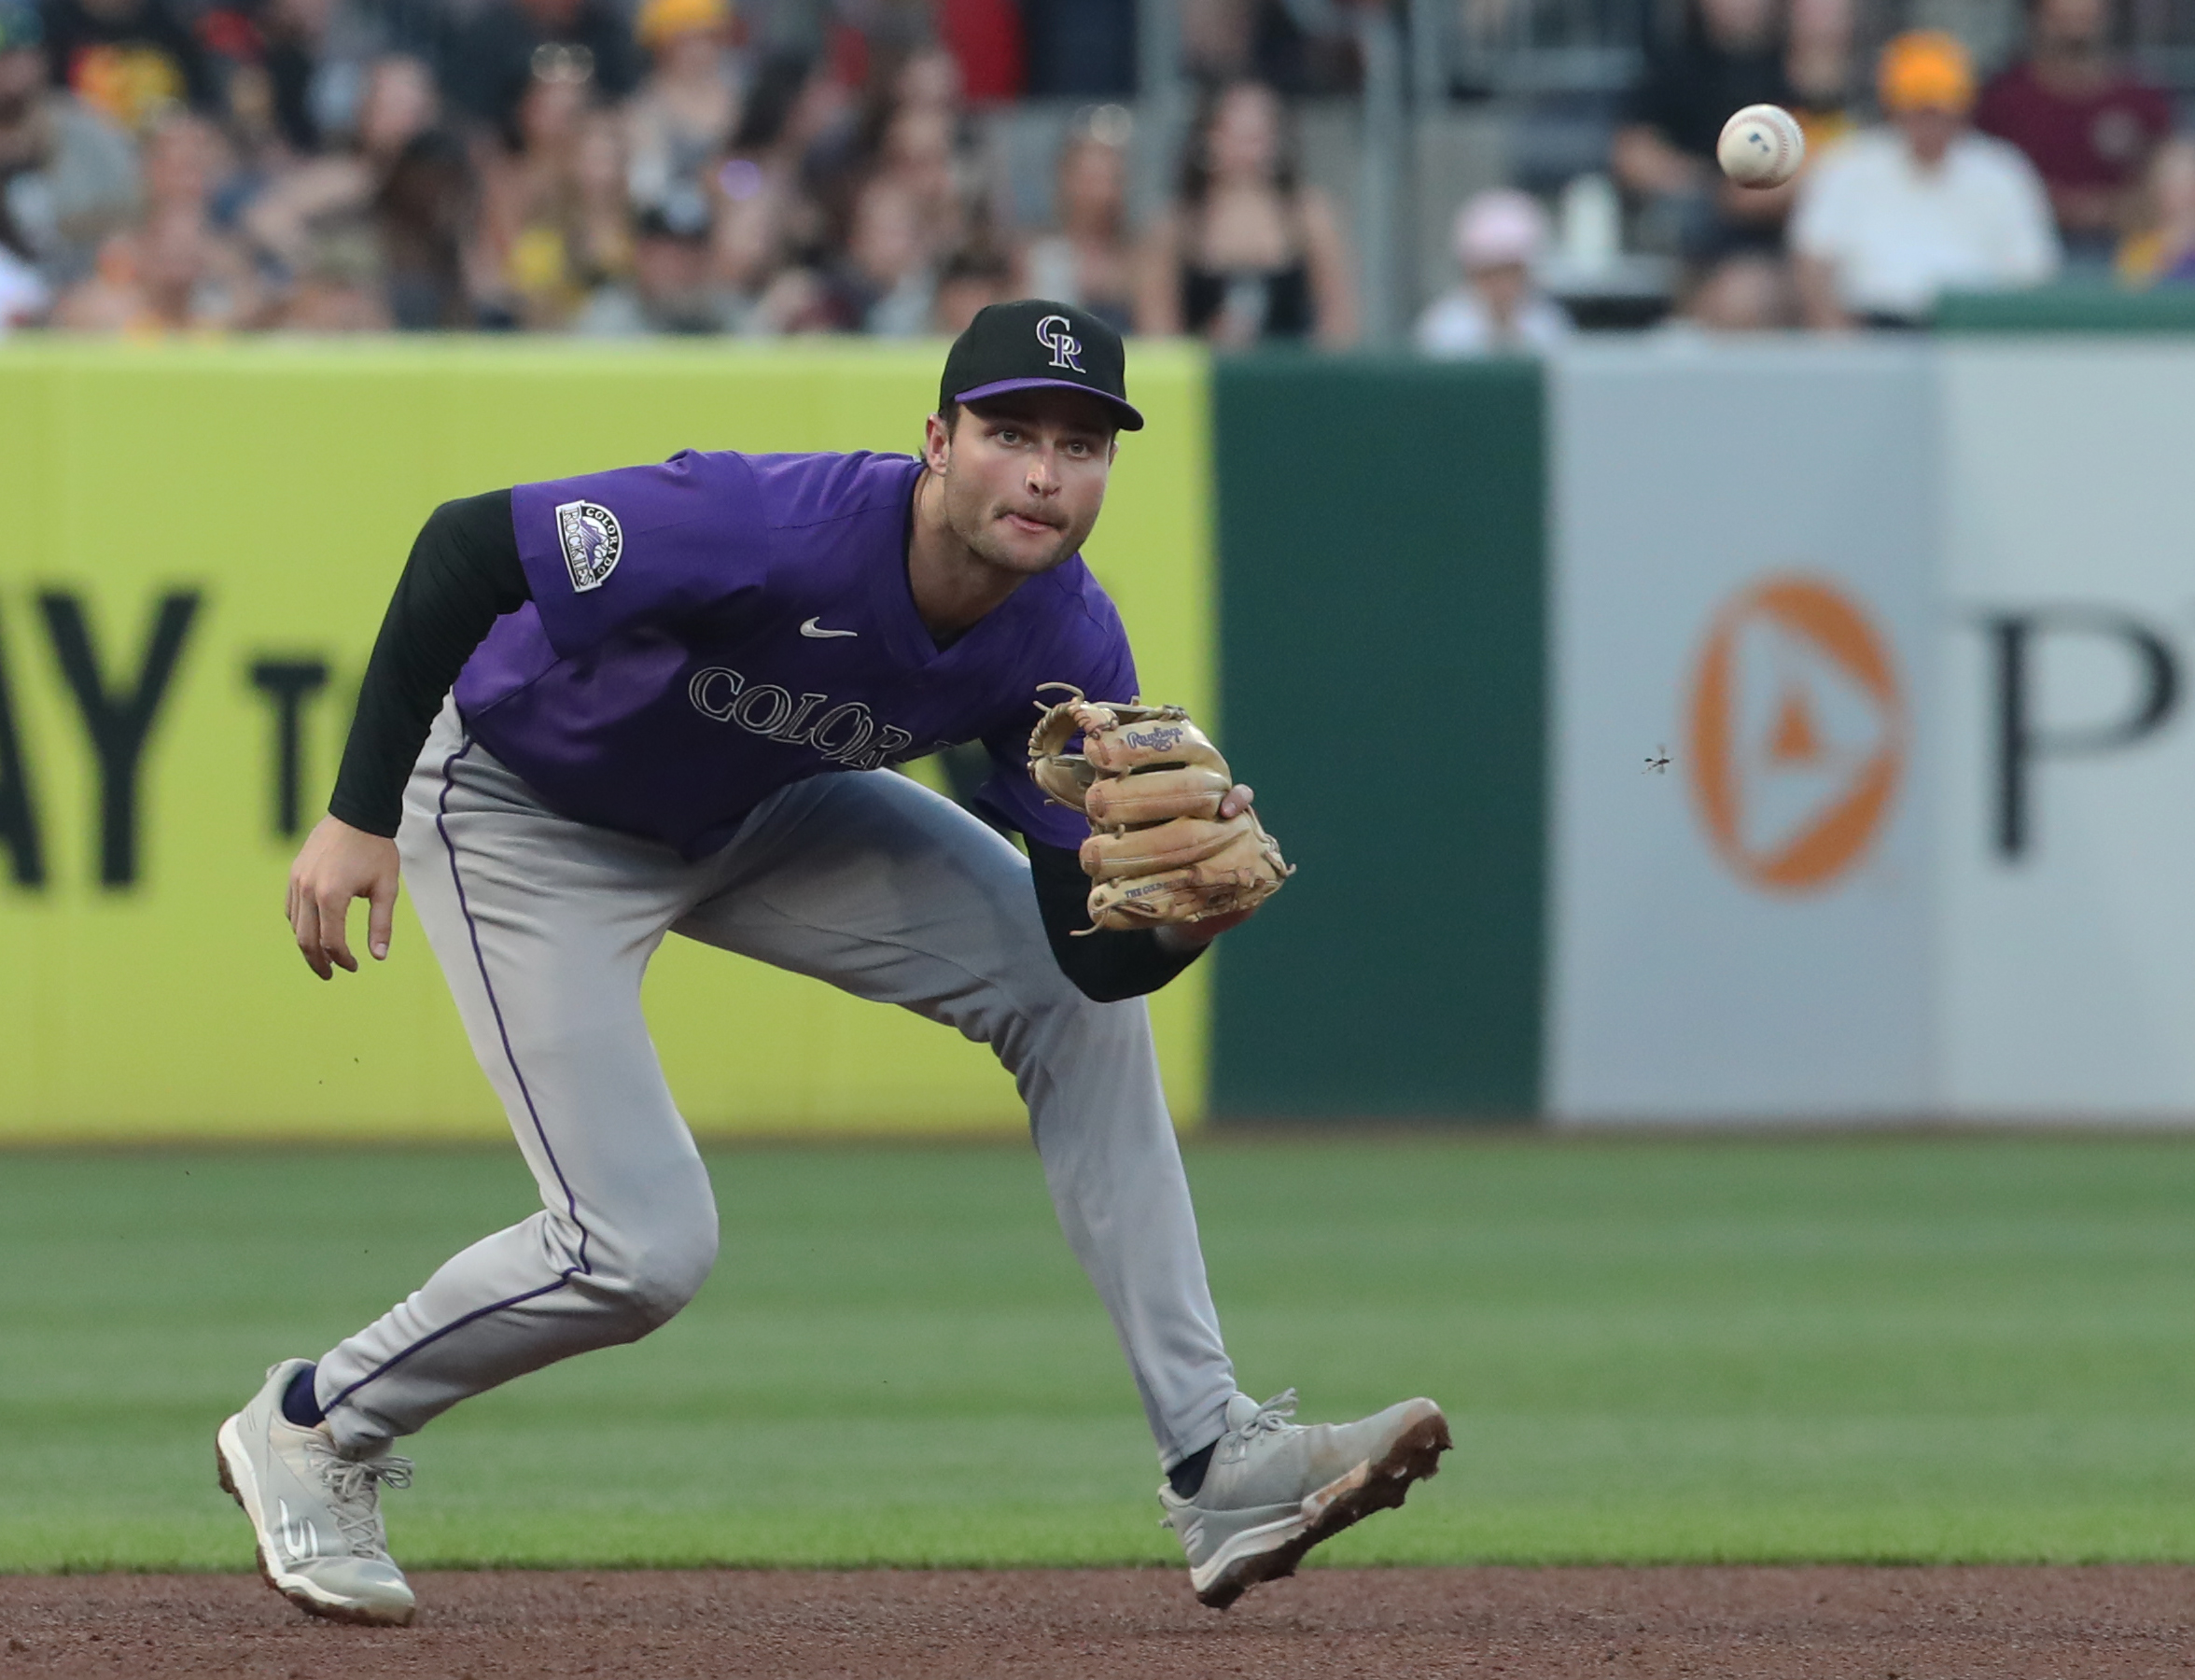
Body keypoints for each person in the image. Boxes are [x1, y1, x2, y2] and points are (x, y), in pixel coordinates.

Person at [214, 298, 1449, 1627]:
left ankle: (1220, 1459)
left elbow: (1082, 966)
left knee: (1070, 1016)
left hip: (756, 809)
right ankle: (311, 1422)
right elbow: (468, 545)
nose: (1044, 472)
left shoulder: (1067, 641)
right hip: (524, 810)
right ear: (936, 439)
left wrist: (1173, 929)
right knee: (641, 1249)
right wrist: (357, 811)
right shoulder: (764, 525)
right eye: (1011, 433)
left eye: (1083, 446)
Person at [1792, 31, 2060, 329]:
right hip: (1870, 330)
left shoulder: (2003, 173)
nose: (1929, 125)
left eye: (1940, 112)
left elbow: (2031, 277)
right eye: (1918, 111)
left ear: (1963, 110)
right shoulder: (1848, 163)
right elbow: (1813, 262)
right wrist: (1841, 345)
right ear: (1893, 108)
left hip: (1972, 337)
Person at [1611, 0, 1797, 329]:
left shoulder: (1794, 67)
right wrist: (1711, 185)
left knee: (1744, 294)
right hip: (1694, 236)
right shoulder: (1677, 62)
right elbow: (1632, 155)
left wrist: (1753, 194)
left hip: (1775, 246)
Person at [1136, 78, 1355, 347]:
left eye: (1260, 135)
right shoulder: (1174, 226)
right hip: (1201, 380)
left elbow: (1339, 322)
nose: (1249, 149)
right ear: (1208, 139)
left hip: (1293, 380)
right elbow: (1156, 330)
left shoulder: (1309, 218)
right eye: (1236, 135)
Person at [1975, 0, 2173, 266]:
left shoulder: (2141, 99)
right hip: (2020, 249)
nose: (2075, 31)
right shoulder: (2004, 99)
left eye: (2085, 18)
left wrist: (2109, 209)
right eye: (2062, 19)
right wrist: (2056, 206)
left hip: (2127, 252)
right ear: (2036, 20)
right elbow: (1979, 180)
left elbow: (2165, 183)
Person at [0, 0, 138, 289]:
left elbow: (134, 209)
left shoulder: (86, 129)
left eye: (19, 54)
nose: (9, 67)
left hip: (83, 282)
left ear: (42, 59)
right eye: (3, 56)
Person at [1015, 113, 1135, 333]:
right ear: (1065, 179)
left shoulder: (1143, 261)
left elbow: (1160, 340)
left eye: (1110, 180)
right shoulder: (1033, 255)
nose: (1101, 194)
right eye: (1091, 180)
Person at [1415, 189, 1572, 357]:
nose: (1502, 284)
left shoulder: (1547, 326)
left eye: (1511, 272)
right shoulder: (1442, 330)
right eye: (1490, 274)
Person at [2117, 135, 2195, 286]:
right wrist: (2175, 248)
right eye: (2177, 184)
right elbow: (2133, 293)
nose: (2188, 194)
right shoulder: (2139, 247)